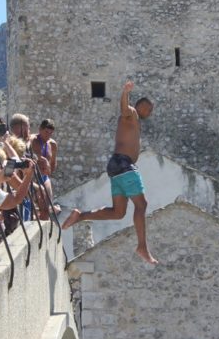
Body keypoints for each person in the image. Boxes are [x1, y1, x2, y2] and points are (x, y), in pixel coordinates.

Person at [62, 80, 157, 264]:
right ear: (141, 106)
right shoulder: (132, 114)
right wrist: (125, 92)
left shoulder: (134, 121)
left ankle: (81, 215)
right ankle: (142, 246)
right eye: (149, 108)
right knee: (141, 205)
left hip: (116, 166)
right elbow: (124, 108)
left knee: (118, 212)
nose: (150, 112)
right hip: (123, 164)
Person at [30, 118, 59, 218]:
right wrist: (40, 158)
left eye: (50, 133)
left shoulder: (53, 144)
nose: (48, 135)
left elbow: (54, 163)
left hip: (44, 177)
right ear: (40, 129)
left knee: (46, 209)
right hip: (32, 177)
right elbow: (26, 155)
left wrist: (49, 169)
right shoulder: (32, 140)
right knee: (31, 207)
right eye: (46, 132)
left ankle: (44, 229)